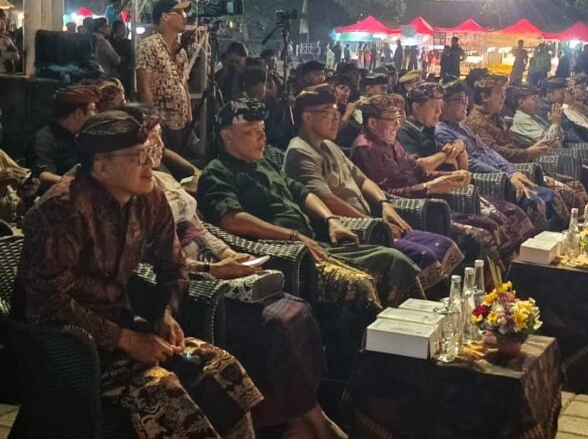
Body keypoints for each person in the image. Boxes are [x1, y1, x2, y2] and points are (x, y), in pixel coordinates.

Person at [11, 111, 261, 437]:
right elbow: (46, 304)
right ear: (102, 166)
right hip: (63, 350)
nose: (150, 164)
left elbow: (172, 265)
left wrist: (165, 313)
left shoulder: (148, 195)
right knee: (162, 390)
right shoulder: (63, 209)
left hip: (123, 330)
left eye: (149, 153)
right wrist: (125, 339)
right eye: (137, 157)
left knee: (220, 367)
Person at [125, 110, 343, 438]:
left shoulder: (162, 182)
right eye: (148, 141)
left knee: (297, 311)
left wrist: (229, 254)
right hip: (192, 287)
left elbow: (200, 230)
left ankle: (303, 416)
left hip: (206, 267)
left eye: (159, 138)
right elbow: (149, 264)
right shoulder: (131, 194)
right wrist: (212, 269)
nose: (157, 146)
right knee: (274, 323)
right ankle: (305, 421)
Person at [196, 99, 424, 366]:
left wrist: (331, 219)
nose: (261, 138)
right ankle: (362, 369)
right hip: (287, 256)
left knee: (394, 260)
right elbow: (232, 220)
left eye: (263, 131)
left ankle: (413, 350)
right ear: (227, 136)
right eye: (251, 132)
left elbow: (303, 193)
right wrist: (292, 236)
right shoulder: (217, 172)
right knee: (358, 285)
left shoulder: (265, 162)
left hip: (315, 241)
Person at [284, 84, 464, 291]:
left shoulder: (329, 145)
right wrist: (371, 222)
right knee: (425, 255)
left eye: (337, 113)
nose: (336, 119)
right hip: (353, 231)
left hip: (372, 220)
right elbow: (325, 199)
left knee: (444, 244)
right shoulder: (300, 152)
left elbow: (363, 181)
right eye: (328, 113)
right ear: (307, 117)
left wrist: (384, 204)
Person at [349, 89, 530, 285]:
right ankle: (483, 289)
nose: (397, 125)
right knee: (479, 236)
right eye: (391, 120)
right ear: (372, 123)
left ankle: (512, 281)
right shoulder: (366, 148)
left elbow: (416, 170)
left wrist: (448, 177)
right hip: (414, 211)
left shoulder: (390, 142)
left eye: (398, 119)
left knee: (496, 221)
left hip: (431, 201)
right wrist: (428, 187)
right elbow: (385, 193)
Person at [462, 72, 569, 228]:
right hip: (499, 178)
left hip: (515, 167)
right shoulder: (475, 122)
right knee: (548, 198)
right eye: (499, 94)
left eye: (504, 94)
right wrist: (526, 154)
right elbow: (494, 152)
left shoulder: (495, 118)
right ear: (484, 97)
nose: (503, 98)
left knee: (556, 195)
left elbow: (507, 146)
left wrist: (525, 155)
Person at [136, 0, 193, 152]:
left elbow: (184, 85)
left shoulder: (180, 51)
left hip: (179, 123)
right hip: (160, 123)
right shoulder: (149, 46)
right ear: (165, 16)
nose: (184, 17)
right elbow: (143, 86)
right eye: (180, 12)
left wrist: (189, 119)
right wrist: (152, 122)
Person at [28, 86, 98, 189]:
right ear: (78, 113)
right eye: (92, 110)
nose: (95, 115)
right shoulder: (44, 140)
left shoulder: (81, 136)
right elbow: (42, 176)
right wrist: (81, 185)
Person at [110, 20, 132, 95]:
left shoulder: (129, 43)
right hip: (113, 74)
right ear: (115, 30)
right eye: (121, 28)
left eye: (124, 28)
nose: (124, 31)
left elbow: (129, 59)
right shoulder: (110, 42)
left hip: (126, 74)